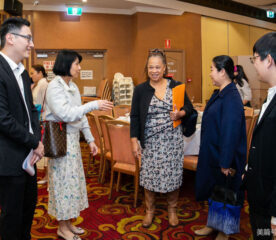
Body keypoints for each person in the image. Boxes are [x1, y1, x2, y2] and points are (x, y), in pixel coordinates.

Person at [45, 49, 113, 240]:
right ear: (66, 64)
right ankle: (62, 228)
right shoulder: (54, 87)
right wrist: (94, 104)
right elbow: (66, 114)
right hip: (60, 142)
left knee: (71, 186)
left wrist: (90, 139)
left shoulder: (72, 86)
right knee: (62, 185)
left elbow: (80, 116)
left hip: (73, 142)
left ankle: (68, 223)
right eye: (77, 63)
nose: (79, 67)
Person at [130, 49, 193, 228]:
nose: (154, 71)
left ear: (164, 67)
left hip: (172, 141)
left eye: (158, 67)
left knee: (172, 175)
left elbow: (189, 108)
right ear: (147, 68)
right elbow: (134, 116)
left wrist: (180, 113)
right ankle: (149, 210)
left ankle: (172, 209)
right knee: (149, 176)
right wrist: (134, 140)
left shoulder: (177, 86)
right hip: (150, 142)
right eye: (151, 67)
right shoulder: (140, 90)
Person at [0, 17, 44, 240]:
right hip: (8, 159)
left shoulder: (23, 72)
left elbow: (32, 112)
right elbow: (3, 118)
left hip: (29, 157)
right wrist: (33, 142)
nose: (31, 44)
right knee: (11, 217)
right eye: (27, 38)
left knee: (28, 212)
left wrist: (36, 140)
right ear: (10, 38)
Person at [194, 55, 246, 240]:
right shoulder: (220, 93)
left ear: (222, 72)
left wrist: (225, 162)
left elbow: (230, 132)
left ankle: (225, 231)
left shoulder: (231, 97)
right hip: (214, 153)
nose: (210, 74)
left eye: (211, 69)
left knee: (227, 194)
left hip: (226, 157)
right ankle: (213, 224)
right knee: (215, 191)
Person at [245, 32, 276, 240]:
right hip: (260, 197)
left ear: (269, 60)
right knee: (259, 234)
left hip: (270, 204)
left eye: (255, 58)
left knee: (265, 235)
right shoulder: (270, 95)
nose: (254, 64)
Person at [30, 64, 49, 185]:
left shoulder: (44, 84)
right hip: (39, 117)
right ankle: (47, 175)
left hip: (42, 118)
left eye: (33, 73)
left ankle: (48, 176)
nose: (31, 76)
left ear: (40, 73)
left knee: (45, 147)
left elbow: (41, 105)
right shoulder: (39, 85)